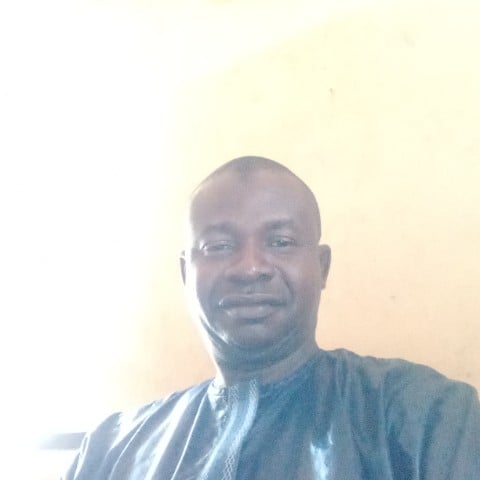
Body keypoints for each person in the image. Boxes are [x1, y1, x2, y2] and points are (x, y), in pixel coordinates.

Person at [64, 156, 480, 479]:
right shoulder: (110, 450)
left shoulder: (425, 416)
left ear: (321, 267)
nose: (250, 268)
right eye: (218, 246)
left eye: (281, 241)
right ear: (185, 273)